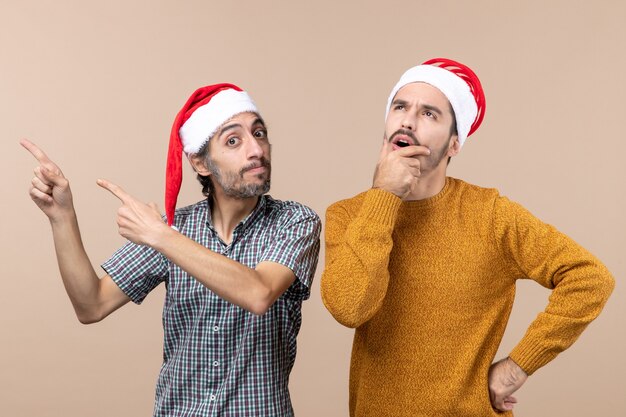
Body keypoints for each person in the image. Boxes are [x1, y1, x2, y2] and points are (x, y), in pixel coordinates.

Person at [320, 58, 614, 417]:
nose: (408, 121)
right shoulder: (349, 214)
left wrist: (518, 366)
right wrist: (384, 197)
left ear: (454, 144)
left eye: (429, 114)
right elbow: (350, 308)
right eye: (400, 107)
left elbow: (591, 277)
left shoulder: (490, 214)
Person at [22, 83, 321, 417]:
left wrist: (162, 237)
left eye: (260, 133)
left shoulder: (295, 221)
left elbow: (259, 292)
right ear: (200, 162)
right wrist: (62, 216)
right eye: (233, 140)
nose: (256, 150)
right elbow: (92, 305)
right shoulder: (174, 228)